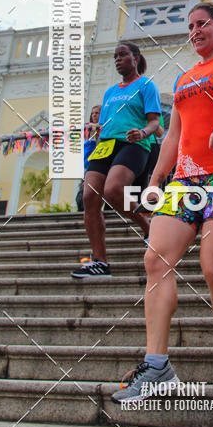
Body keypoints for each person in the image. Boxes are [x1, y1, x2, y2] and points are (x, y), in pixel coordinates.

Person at [111, 3, 213, 400]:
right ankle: (157, 367)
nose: (195, 31)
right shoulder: (185, 78)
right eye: (189, 26)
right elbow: (172, 137)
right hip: (186, 179)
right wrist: (154, 181)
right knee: (155, 260)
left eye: (202, 23)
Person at [71, 42, 161, 279]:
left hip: (133, 144)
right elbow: (105, 125)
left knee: (113, 190)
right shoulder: (110, 92)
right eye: (115, 56)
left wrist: (142, 132)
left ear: (136, 58)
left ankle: (149, 230)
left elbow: (154, 122)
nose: (118, 59)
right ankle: (100, 262)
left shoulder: (145, 85)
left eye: (123, 55)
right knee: (90, 197)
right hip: (105, 146)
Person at [75, 104, 101, 213]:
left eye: (97, 113)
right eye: (92, 113)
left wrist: (97, 133)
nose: (94, 115)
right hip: (86, 166)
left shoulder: (103, 129)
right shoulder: (87, 129)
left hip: (97, 165)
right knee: (82, 193)